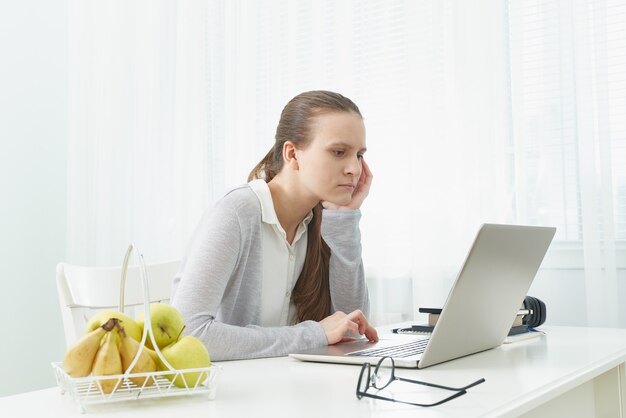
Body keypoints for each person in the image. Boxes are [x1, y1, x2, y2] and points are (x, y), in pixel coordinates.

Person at [170, 90, 379, 361]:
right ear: (292, 154)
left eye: (359, 155)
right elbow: (190, 334)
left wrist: (345, 219)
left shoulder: (323, 221)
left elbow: (353, 330)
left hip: (285, 389)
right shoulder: (236, 213)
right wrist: (313, 334)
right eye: (339, 152)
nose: (354, 168)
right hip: (228, 395)